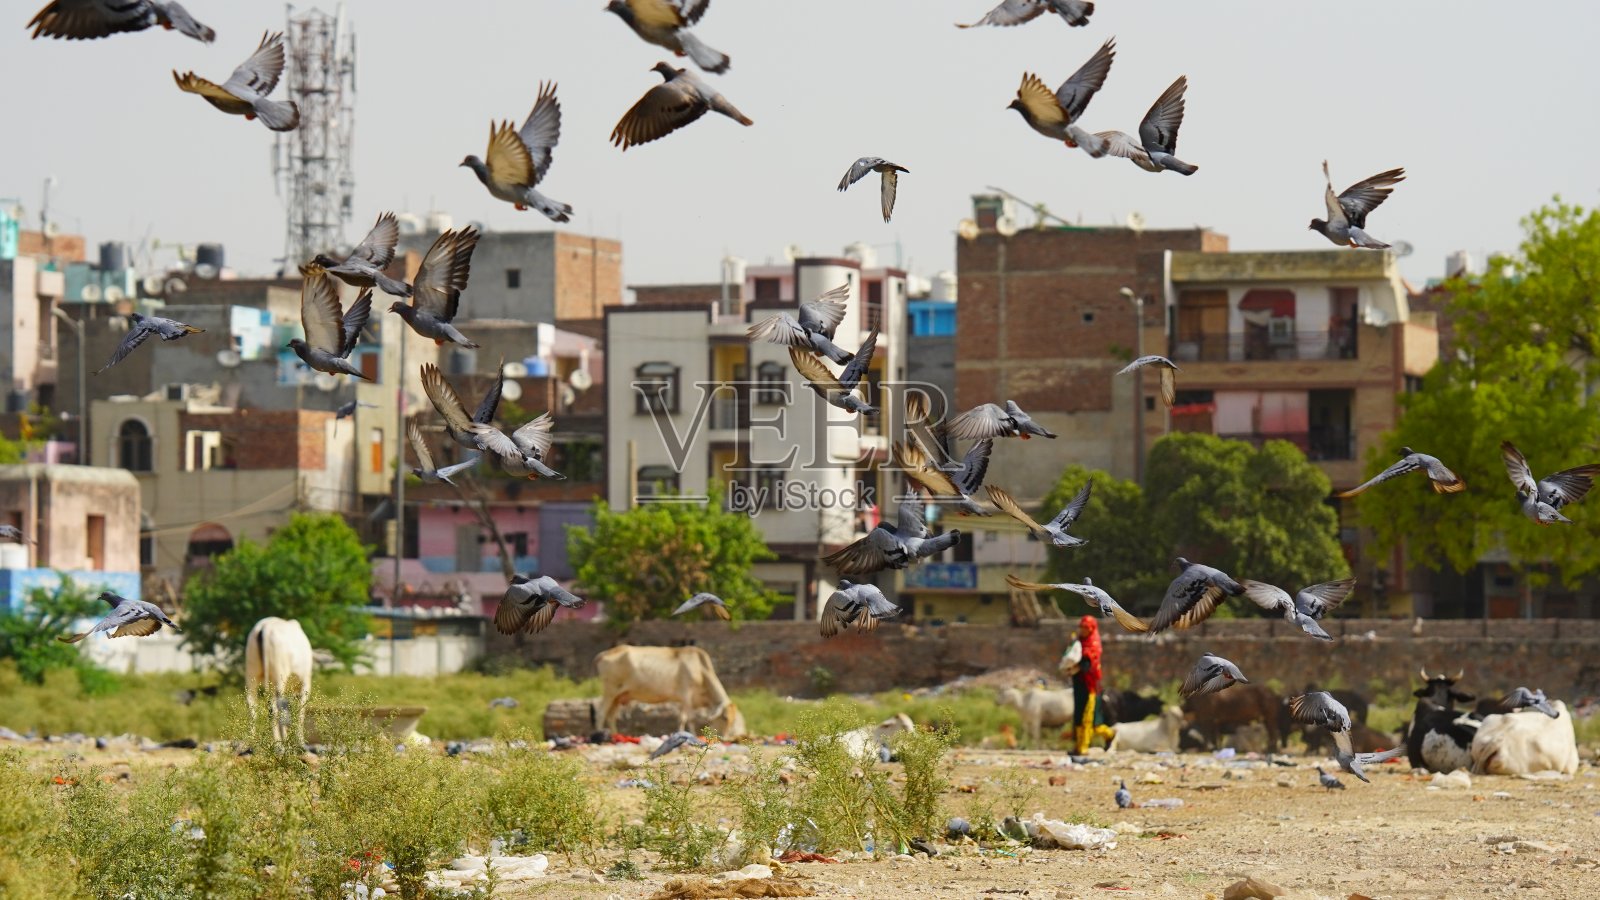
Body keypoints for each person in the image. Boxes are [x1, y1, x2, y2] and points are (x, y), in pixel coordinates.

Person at [1063, 615, 1115, 753]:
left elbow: (1087, 665)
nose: (1083, 630)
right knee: (1078, 717)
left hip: (1091, 687)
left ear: (1092, 629)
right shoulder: (1078, 642)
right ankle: (1079, 746)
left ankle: (1094, 743)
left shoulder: (1094, 644)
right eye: (1081, 627)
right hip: (1079, 684)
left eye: (1086, 628)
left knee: (1089, 719)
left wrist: (1075, 663)